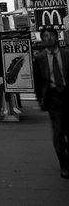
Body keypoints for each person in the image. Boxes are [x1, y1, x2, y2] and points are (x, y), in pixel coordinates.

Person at [33, 27, 69, 179]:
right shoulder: (40, 58)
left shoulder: (67, 54)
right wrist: (40, 100)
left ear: (57, 37)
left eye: (51, 35)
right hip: (53, 97)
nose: (48, 38)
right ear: (42, 40)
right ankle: (64, 166)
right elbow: (38, 81)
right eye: (45, 36)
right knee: (58, 131)